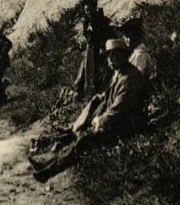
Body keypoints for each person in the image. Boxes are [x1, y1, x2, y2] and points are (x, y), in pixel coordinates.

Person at [30, 39, 147, 182]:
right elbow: (109, 97)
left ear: (124, 56)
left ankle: (48, 172)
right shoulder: (120, 73)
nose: (110, 60)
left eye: (114, 55)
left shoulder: (130, 78)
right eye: (109, 56)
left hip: (125, 127)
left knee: (84, 141)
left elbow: (118, 109)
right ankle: (47, 165)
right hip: (115, 121)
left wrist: (100, 120)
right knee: (81, 133)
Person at [73, 0, 115, 99]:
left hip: (104, 48)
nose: (88, 12)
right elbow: (88, 38)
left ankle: (97, 91)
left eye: (89, 9)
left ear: (94, 8)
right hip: (92, 49)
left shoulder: (102, 20)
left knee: (98, 68)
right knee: (86, 67)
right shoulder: (88, 23)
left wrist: (103, 48)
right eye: (86, 10)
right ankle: (82, 91)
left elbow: (109, 35)